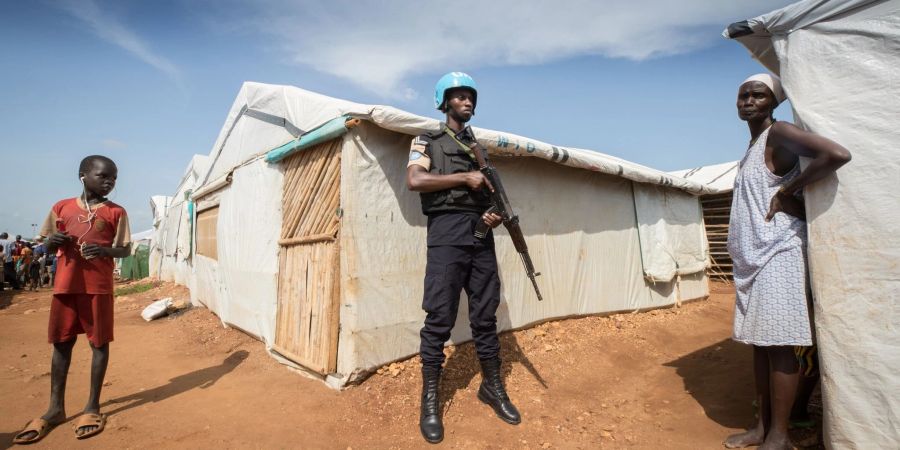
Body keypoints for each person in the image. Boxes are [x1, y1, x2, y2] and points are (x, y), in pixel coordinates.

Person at [724, 74, 851, 450]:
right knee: (761, 346)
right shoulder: (753, 145)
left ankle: (779, 436)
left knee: (779, 346)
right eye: (742, 94)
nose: (747, 101)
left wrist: (788, 190)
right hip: (754, 259)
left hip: (778, 252)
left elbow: (837, 154)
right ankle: (761, 428)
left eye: (757, 95)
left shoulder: (779, 133)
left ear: (773, 102)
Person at [406, 72, 520, 444]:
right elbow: (415, 182)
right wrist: (463, 179)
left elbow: (491, 197)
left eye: (470, 96)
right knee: (439, 315)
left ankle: (492, 387)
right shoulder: (427, 140)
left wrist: (494, 215)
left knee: (485, 315)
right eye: (459, 97)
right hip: (447, 234)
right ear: (444, 102)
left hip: (480, 235)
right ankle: (431, 401)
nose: (467, 101)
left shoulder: (479, 149)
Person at [13, 155, 131, 444]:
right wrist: (50, 242)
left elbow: (125, 250)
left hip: (98, 288)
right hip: (65, 286)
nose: (109, 182)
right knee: (62, 343)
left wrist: (104, 252)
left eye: (113, 178)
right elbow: (45, 241)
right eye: (103, 176)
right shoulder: (61, 208)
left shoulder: (116, 212)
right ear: (83, 176)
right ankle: (55, 409)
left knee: (99, 343)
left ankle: (92, 406)